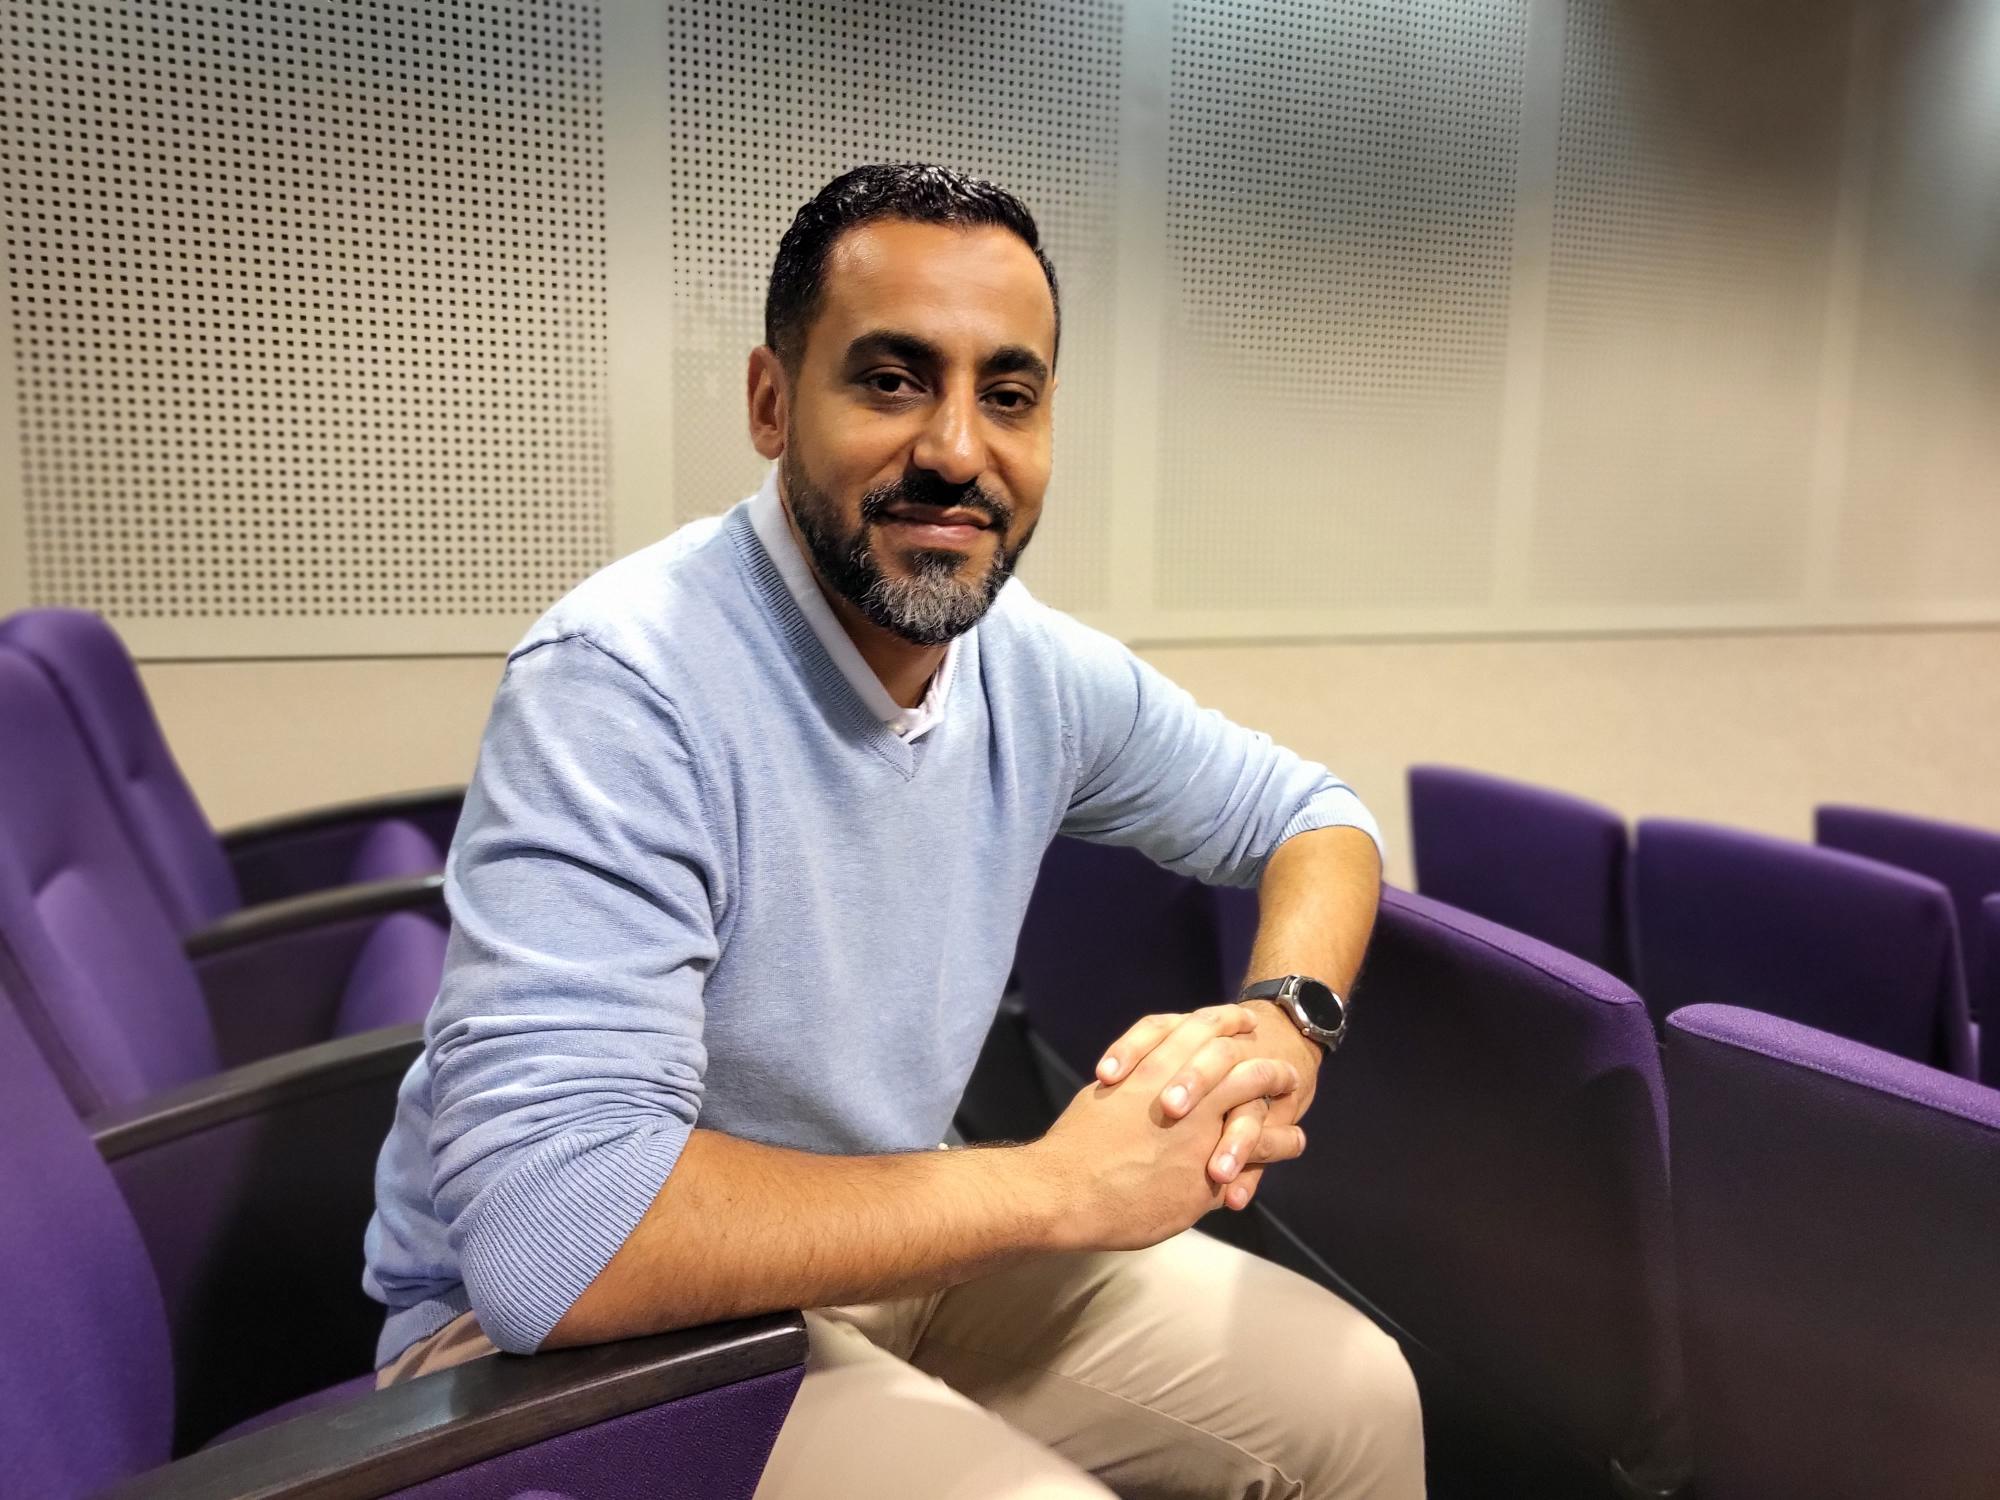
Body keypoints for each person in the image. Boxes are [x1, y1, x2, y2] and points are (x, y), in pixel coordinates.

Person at [363, 163, 1423, 1498]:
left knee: (1356, 1398)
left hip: (890, 1245)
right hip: (556, 1355)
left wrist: (1287, 1018)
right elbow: (555, 1245)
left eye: (1010, 395)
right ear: (770, 401)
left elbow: (1314, 819)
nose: (958, 451)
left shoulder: (1033, 671)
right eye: (891, 379)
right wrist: (1057, 1190)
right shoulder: (624, 679)